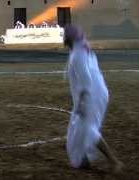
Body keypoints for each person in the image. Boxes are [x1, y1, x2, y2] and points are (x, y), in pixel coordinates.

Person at [64, 25, 123, 172]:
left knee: (86, 129)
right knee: (78, 127)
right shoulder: (82, 50)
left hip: (91, 94)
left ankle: (114, 161)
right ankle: (83, 160)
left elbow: (86, 79)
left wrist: (83, 102)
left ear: (68, 39)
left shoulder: (78, 54)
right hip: (94, 93)